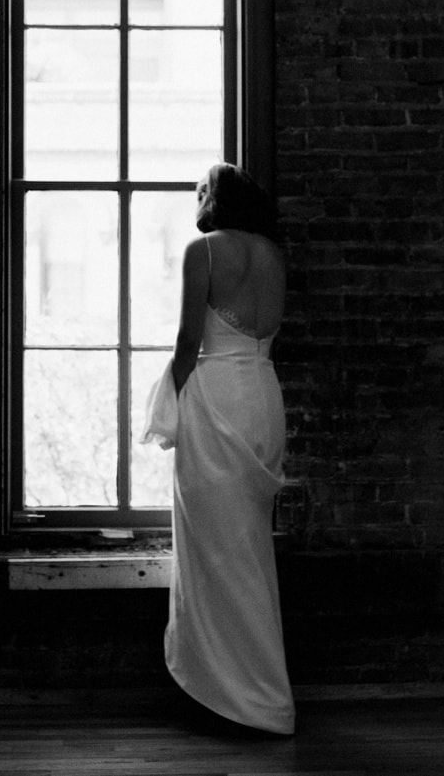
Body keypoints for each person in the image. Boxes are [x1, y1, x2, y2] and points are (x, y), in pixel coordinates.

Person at [141, 162, 294, 735]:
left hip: (216, 397)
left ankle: (227, 695)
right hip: (262, 395)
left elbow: (188, 342)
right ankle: (263, 693)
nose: (195, 198)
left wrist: (167, 400)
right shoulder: (276, 256)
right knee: (249, 548)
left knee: (211, 551)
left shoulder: (201, 250)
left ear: (215, 198)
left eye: (200, 189)